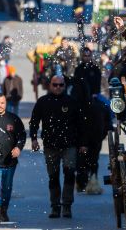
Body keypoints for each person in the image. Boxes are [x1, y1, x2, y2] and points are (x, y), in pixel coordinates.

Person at [30, 76, 85, 218]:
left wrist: (83, 143)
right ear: (50, 85)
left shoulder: (72, 102)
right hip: (50, 145)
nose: (58, 87)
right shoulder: (43, 102)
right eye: (55, 85)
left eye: (61, 85)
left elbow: (81, 124)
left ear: (65, 86)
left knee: (69, 174)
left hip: (69, 145)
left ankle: (67, 205)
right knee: (53, 177)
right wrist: (34, 139)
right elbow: (34, 121)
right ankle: (55, 206)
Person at [0, 93, 26, 224]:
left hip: (10, 162)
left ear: (6, 103)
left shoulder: (13, 118)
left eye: (2, 103)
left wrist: (18, 147)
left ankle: (3, 210)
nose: (0, 106)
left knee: (7, 188)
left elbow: (22, 136)